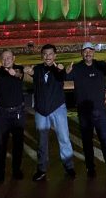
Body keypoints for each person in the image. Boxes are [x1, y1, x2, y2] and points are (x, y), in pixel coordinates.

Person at [66, 42, 106, 177]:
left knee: (104, 139)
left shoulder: (100, 65)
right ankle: (90, 168)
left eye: (90, 51)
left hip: (99, 109)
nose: (88, 53)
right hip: (84, 111)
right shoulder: (77, 67)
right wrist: (66, 71)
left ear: (94, 52)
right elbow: (66, 77)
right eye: (85, 51)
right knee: (87, 141)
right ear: (82, 53)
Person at [24, 44, 76, 181]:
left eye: (50, 54)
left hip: (58, 108)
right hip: (41, 110)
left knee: (64, 138)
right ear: (42, 56)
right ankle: (41, 169)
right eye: (45, 54)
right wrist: (28, 71)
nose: (47, 57)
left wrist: (66, 71)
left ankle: (69, 166)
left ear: (55, 56)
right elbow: (31, 74)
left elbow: (62, 76)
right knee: (42, 142)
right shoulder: (37, 69)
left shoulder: (58, 69)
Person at [0, 49, 25, 182]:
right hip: (3, 113)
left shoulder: (18, 69)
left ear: (13, 58)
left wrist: (14, 73)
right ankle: (1, 173)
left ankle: (16, 170)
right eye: (3, 58)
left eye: (9, 57)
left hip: (18, 112)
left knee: (18, 144)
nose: (6, 60)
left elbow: (20, 75)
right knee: (1, 145)